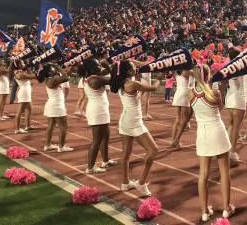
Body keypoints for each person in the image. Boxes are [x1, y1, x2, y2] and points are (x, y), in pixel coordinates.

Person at [189, 64, 235, 221]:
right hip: (218, 131)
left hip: (202, 134)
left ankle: (204, 212)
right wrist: (221, 88)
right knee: (224, 172)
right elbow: (220, 108)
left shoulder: (190, 94)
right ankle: (226, 208)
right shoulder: (214, 93)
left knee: (203, 174)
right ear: (208, 76)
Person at [110, 60, 161, 197]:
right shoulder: (132, 84)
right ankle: (141, 182)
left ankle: (125, 183)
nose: (136, 68)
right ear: (128, 71)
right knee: (153, 150)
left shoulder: (123, 82)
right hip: (134, 121)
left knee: (126, 154)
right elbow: (154, 88)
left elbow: (127, 66)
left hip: (125, 120)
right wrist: (160, 78)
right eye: (133, 68)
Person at [78, 58, 117, 174]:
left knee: (105, 137)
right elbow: (114, 80)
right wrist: (109, 67)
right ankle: (90, 167)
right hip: (97, 111)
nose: (100, 67)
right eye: (97, 65)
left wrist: (107, 66)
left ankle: (105, 160)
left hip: (101, 109)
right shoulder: (94, 79)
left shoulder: (93, 75)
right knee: (97, 140)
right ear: (91, 69)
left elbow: (106, 72)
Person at [36, 63, 74, 152]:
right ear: (49, 72)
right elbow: (66, 78)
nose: (55, 69)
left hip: (53, 105)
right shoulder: (52, 80)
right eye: (53, 68)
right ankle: (61, 147)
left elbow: (66, 75)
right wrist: (59, 68)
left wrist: (72, 67)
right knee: (63, 127)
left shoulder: (50, 79)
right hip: (56, 106)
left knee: (51, 126)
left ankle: (48, 145)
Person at [225, 48, 247, 166]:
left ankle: (226, 149)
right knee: (236, 127)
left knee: (231, 124)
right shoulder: (241, 66)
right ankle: (231, 153)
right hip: (239, 96)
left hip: (229, 96)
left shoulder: (228, 66)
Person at [11, 59, 36, 133]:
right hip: (24, 93)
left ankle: (28, 126)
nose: (24, 63)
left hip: (26, 93)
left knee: (29, 109)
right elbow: (33, 76)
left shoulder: (22, 72)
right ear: (18, 65)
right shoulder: (19, 74)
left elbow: (30, 77)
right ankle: (17, 129)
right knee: (20, 112)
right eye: (22, 63)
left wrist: (29, 68)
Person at [170, 70, 192, 149]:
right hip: (184, 94)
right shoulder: (186, 72)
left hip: (178, 93)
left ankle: (173, 140)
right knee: (184, 120)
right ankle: (176, 140)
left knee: (178, 118)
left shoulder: (177, 71)